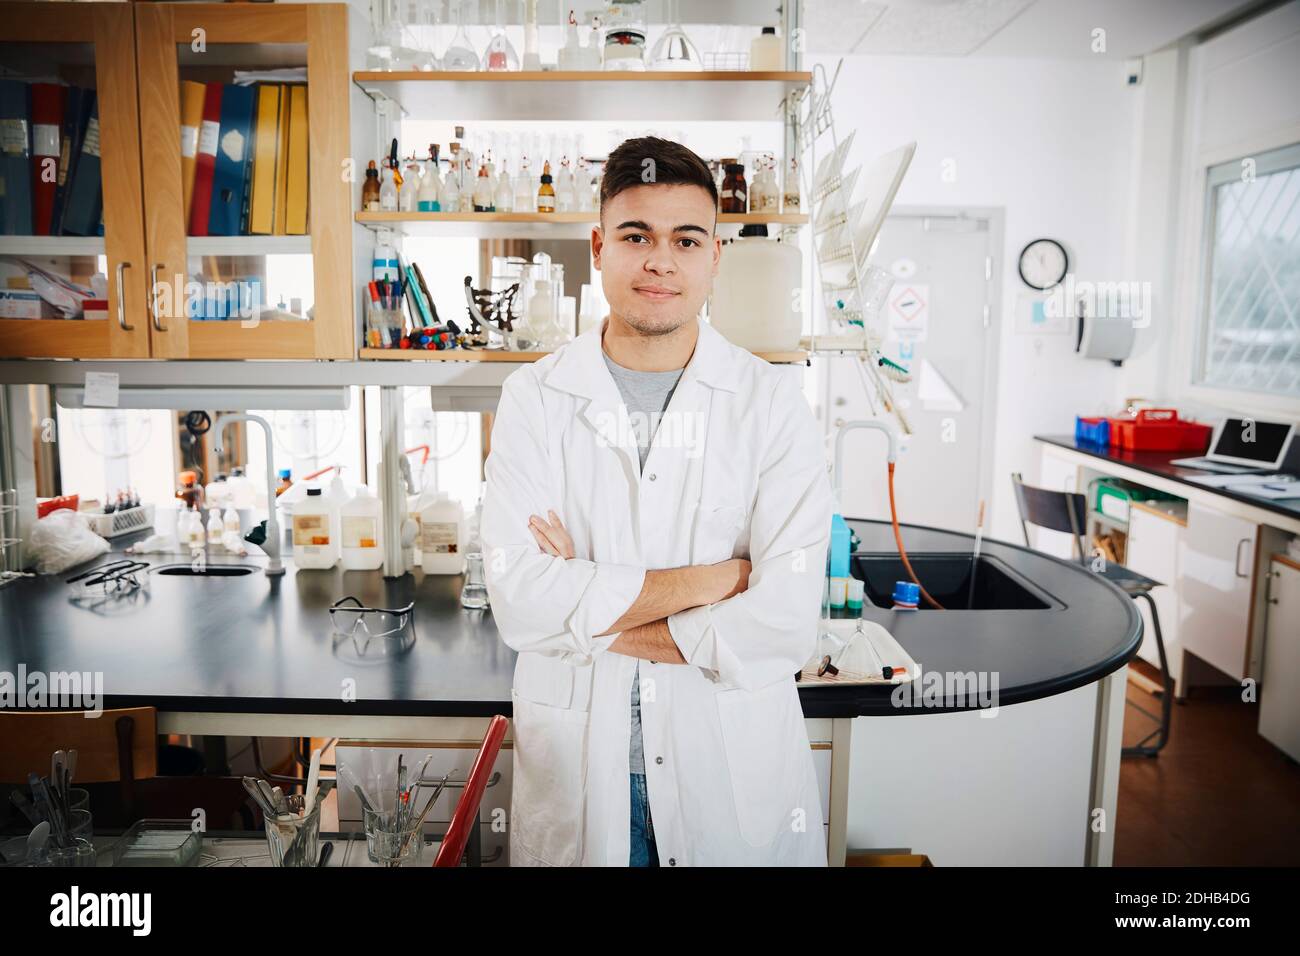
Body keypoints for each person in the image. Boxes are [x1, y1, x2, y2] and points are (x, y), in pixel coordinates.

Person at [481, 136, 832, 866]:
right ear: (598, 246)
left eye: (686, 239)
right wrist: (713, 583)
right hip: (581, 777)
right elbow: (519, 602)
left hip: (727, 778)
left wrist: (586, 616)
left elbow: (785, 623)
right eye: (637, 236)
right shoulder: (535, 398)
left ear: (714, 258)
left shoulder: (771, 405)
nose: (660, 261)